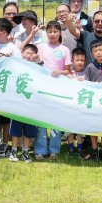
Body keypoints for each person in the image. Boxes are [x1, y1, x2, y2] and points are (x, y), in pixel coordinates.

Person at [33, 22, 72, 159]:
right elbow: (35, 63)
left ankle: (54, 150)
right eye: (49, 31)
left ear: (60, 33)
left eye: (55, 31)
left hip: (58, 90)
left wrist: (60, 72)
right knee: (41, 121)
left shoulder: (65, 50)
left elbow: (68, 71)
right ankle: (40, 150)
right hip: (42, 89)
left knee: (56, 120)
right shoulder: (40, 47)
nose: (52, 34)